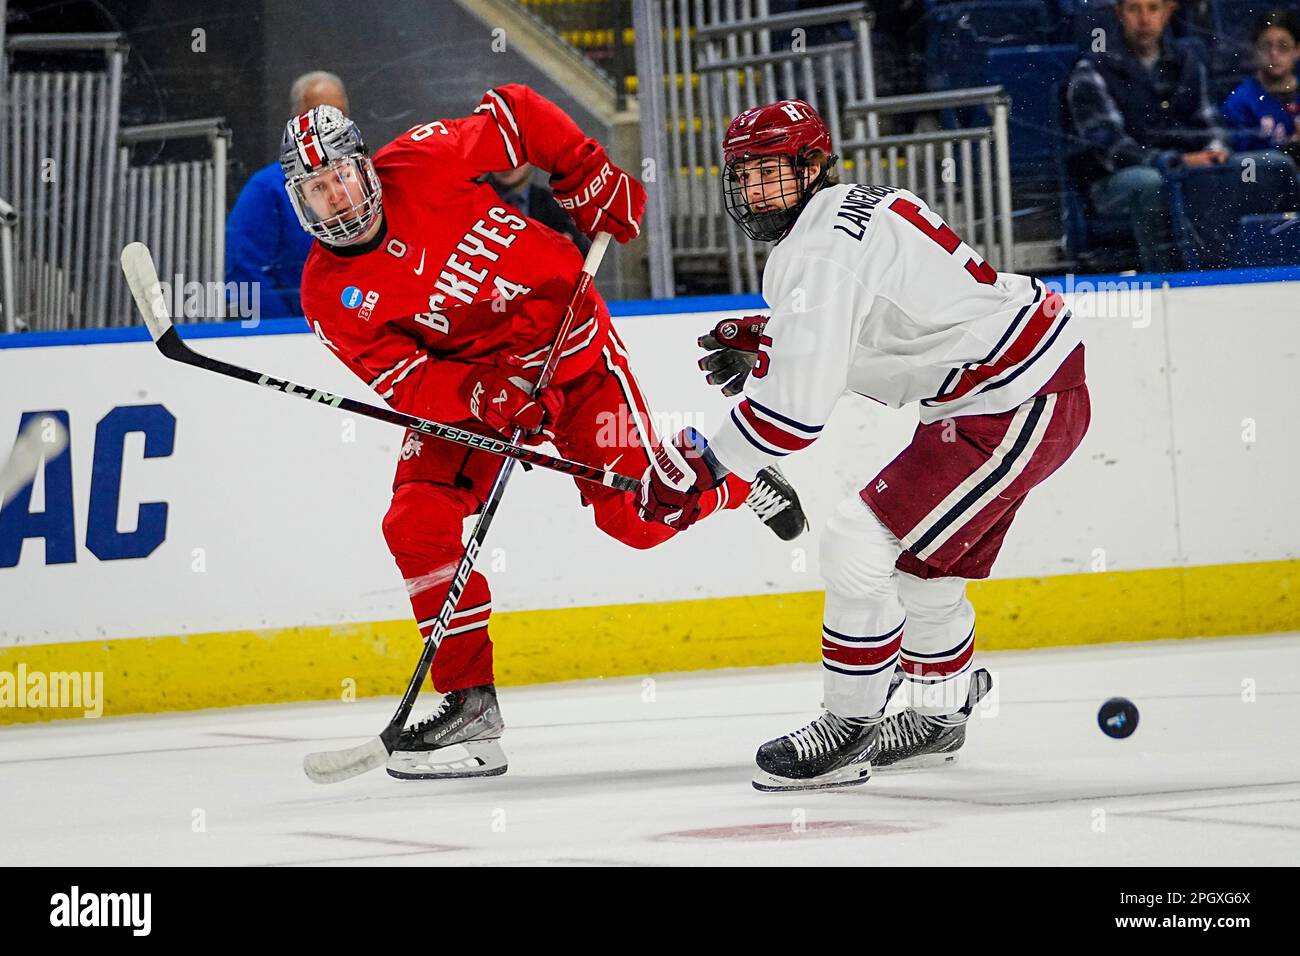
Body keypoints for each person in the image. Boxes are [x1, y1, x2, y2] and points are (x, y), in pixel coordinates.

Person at [281, 86, 809, 781]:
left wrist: (585, 171)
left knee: (638, 519)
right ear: (300, 201)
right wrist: (479, 394)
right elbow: (407, 383)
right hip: (478, 393)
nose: (338, 200)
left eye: (342, 177)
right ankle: (470, 705)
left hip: (571, 349)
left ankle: (735, 482)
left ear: (366, 168)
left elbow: (518, 113)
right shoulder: (328, 294)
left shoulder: (423, 159)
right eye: (318, 191)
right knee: (415, 519)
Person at [636, 100, 1091, 792]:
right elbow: (890, 326)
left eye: (771, 172)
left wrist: (704, 466)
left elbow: (792, 417)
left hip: (1014, 400)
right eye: (745, 175)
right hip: (1015, 386)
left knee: (855, 536)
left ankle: (848, 728)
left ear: (814, 167)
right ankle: (938, 714)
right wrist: (781, 341)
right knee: (922, 567)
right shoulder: (853, 208)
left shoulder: (814, 250)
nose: (755, 191)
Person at [1066, 0, 1227, 271]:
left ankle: (1236, 275)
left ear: (1168, 11)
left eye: (1153, 8)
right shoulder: (1092, 68)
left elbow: (1211, 123)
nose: (1144, 19)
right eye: (1134, 9)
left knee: (1267, 165)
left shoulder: (1188, 61)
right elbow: (1112, 147)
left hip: (1185, 169)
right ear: (1119, 13)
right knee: (1150, 182)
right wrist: (1175, 162)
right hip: (1114, 183)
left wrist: (1216, 150)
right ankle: (1167, 281)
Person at [226, 72, 349, 318]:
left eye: (338, 115)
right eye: (317, 114)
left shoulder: (365, 182)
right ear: (295, 121)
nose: (328, 125)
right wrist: (292, 333)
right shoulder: (267, 188)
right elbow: (244, 273)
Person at [1223, 9, 1300, 162]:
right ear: (1255, 50)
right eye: (1266, 46)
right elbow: (1241, 164)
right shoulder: (1239, 102)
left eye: (1283, 46)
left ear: (1297, 50)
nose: (1274, 54)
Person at [486, 163, 590, 253]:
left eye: (517, 156)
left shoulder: (554, 205)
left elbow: (584, 252)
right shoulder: (473, 196)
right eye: (500, 154)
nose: (509, 164)